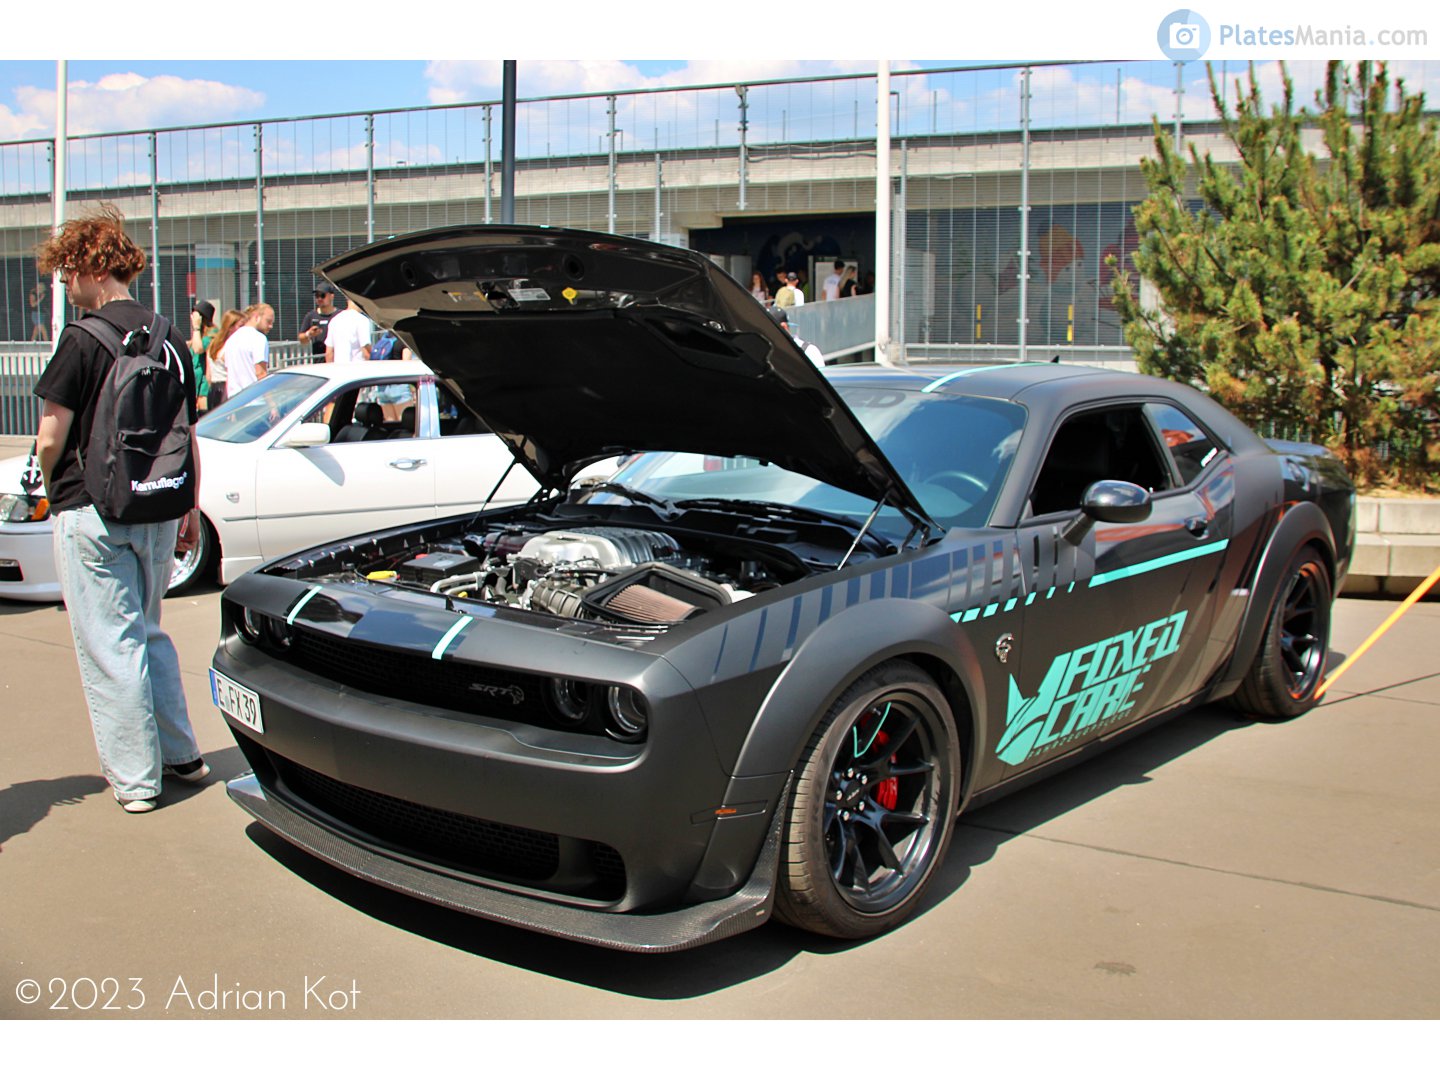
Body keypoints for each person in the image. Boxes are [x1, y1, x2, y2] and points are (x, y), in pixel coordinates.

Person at [30, 205, 207, 814]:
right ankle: (183, 753)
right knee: (149, 629)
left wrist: (52, 489)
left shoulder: (82, 340)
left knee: (111, 642)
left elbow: (52, 436)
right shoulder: (171, 338)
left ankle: (136, 781)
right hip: (161, 505)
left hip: (94, 508)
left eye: (66, 275)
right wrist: (189, 505)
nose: (66, 287)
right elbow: (187, 427)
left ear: (87, 267)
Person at [224, 303, 272, 396]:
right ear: (256, 317)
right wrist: (272, 405)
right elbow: (261, 374)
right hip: (254, 398)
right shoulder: (259, 338)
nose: (270, 326)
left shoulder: (231, 339)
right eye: (268, 321)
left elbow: (229, 374)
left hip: (234, 399)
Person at [206, 308, 244, 408]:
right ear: (230, 327)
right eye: (240, 326)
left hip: (213, 389)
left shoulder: (212, 344)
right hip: (226, 390)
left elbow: (208, 375)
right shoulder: (231, 347)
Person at [325, 295, 373, 363]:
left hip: (338, 370)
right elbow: (366, 352)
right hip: (358, 370)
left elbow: (329, 353)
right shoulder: (362, 320)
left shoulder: (335, 320)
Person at [187, 300, 216, 412]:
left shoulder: (211, 334)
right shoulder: (199, 335)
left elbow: (198, 349)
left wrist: (196, 327)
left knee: (204, 415)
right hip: (195, 384)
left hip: (204, 386)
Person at [298, 284, 338, 358]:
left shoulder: (340, 315)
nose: (319, 299)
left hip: (337, 360)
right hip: (318, 361)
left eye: (322, 295)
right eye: (317, 296)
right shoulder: (311, 316)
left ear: (332, 296)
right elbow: (301, 339)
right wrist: (309, 334)